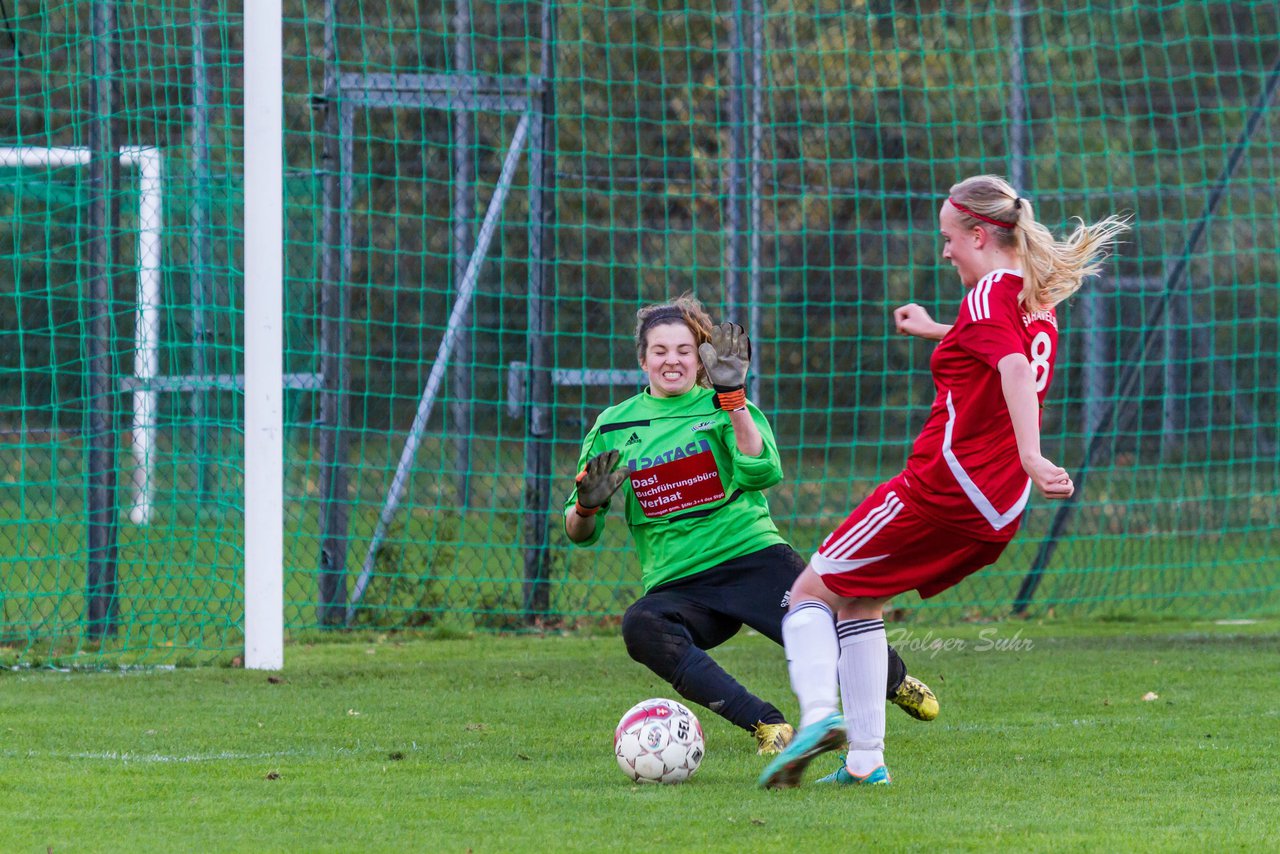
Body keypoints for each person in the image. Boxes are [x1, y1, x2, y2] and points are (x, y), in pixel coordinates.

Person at [758, 175, 1131, 787]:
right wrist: (936, 329)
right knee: (859, 598)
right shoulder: (1031, 296)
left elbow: (1010, 366)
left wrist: (1034, 456)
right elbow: (994, 349)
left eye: (949, 238)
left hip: (942, 490)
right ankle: (865, 763)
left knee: (807, 595)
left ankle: (820, 718)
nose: (944, 251)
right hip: (995, 512)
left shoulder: (987, 297)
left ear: (980, 235)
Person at [565, 294, 939, 758]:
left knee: (830, 631)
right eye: (659, 351)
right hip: (678, 583)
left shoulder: (722, 404)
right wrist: (585, 506)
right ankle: (766, 723)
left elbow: (764, 471)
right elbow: (579, 533)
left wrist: (734, 401)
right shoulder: (613, 426)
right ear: (643, 359)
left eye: (683, 350)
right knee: (641, 625)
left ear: (699, 356)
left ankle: (895, 679)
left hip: (751, 558)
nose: (671, 361)